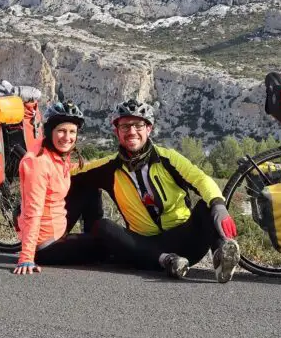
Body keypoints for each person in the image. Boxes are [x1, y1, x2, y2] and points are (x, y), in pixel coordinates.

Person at [66, 99, 240, 282]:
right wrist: (38, 158)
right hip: (145, 248)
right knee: (103, 227)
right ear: (116, 131)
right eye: (125, 126)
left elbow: (200, 179)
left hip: (185, 240)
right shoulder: (108, 167)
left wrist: (218, 205)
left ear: (149, 129)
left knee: (207, 205)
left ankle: (222, 255)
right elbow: (68, 171)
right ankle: (168, 262)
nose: (132, 131)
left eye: (138, 125)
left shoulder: (168, 158)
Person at [12, 101, 107, 275]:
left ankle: (92, 236)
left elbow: (69, 171)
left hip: (58, 225)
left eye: (72, 132)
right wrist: (26, 256)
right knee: (106, 244)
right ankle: (93, 241)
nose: (67, 137)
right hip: (46, 246)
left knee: (90, 188)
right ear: (50, 132)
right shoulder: (37, 162)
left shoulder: (55, 153)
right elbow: (32, 211)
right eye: (61, 131)